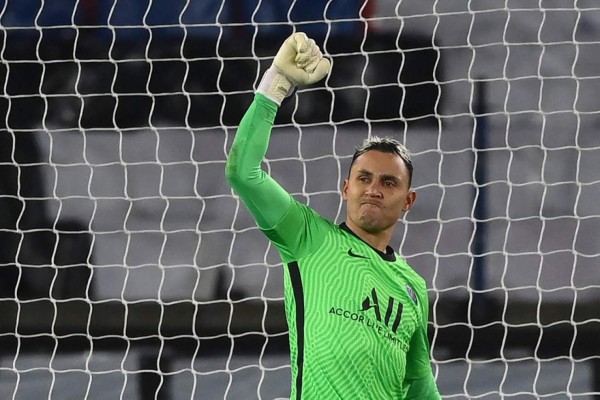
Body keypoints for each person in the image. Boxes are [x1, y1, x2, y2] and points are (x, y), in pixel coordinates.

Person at [226, 32, 441, 399]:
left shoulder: (413, 289)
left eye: (389, 182)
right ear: (346, 188)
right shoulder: (308, 237)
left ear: (408, 201)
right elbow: (242, 171)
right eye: (364, 178)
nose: (373, 189)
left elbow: (419, 386)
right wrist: (276, 84)